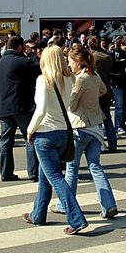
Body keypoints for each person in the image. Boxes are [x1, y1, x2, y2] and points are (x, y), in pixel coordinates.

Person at [22, 45, 87, 235]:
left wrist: (29, 130)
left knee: (56, 178)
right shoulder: (69, 78)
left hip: (45, 135)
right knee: (45, 177)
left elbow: (41, 110)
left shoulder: (43, 80)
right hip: (62, 133)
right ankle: (38, 215)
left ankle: (76, 219)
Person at [53, 47, 117, 218]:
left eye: (70, 62)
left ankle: (65, 204)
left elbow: (71, 105)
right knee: (96, 167)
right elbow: (103, 90)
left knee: (72, 168)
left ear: (78, 62)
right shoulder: (95, 76)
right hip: (96, 126)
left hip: (79, 127)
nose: (68, 65)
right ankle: (109, 204)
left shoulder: (79, 80)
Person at [0, 35, 40, 181]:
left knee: (6, 140)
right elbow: (37, 71)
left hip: (3, 108)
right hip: (22, 107)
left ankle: (5, 173)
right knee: (29, 138)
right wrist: (32, 55)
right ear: (20, 47)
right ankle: (33, 172)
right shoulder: (22, 62)